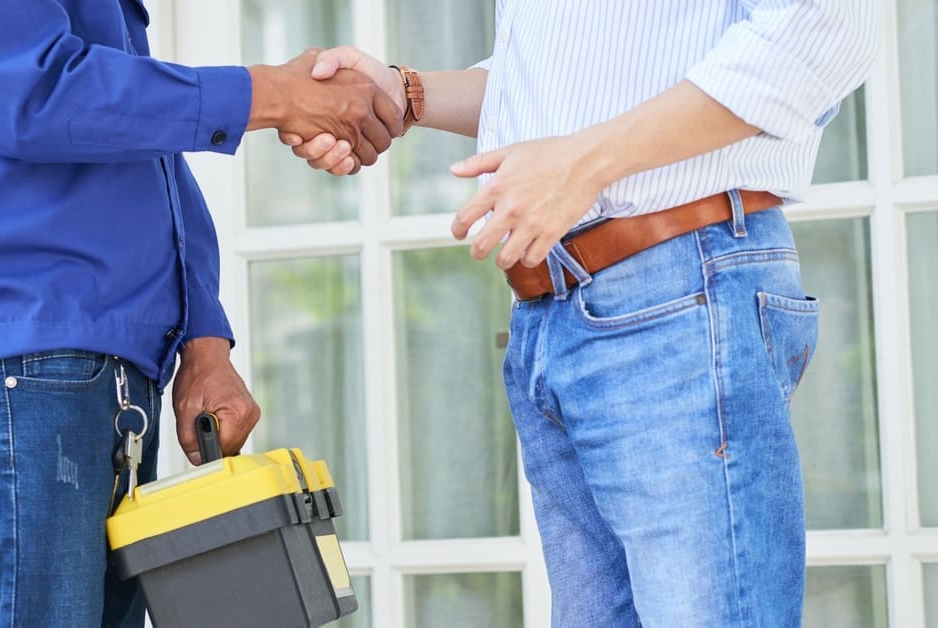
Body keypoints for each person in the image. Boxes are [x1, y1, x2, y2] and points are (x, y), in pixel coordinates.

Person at [286, 2, 878, 625]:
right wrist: (410, 95)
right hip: (559, 315)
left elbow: (829, 25)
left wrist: (586, 162)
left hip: (677, 291)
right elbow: (566, 91)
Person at [0, 0, 402, 624]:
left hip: (89, 378)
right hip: (5, 373)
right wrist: (273, 94)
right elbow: (30, 92)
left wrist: (202, 341)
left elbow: (135, 140)